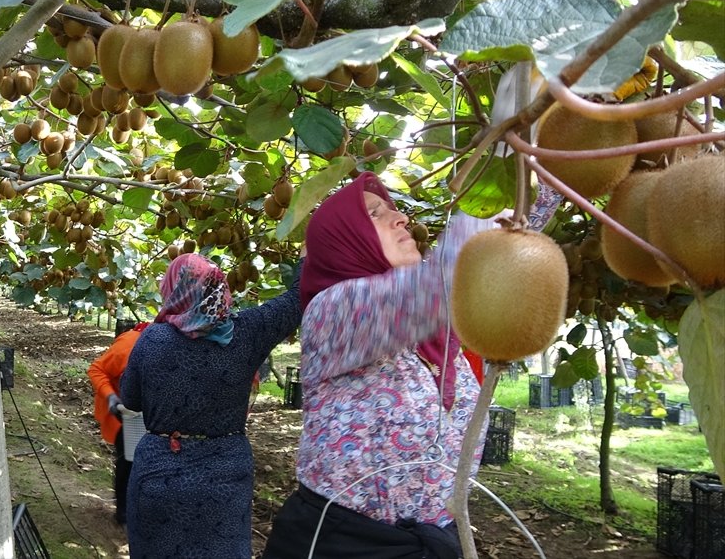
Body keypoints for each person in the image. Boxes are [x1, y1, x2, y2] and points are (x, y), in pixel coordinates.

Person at [262, 172, 540, 559]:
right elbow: (449, 277)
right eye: (376, 213)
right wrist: (499, 166)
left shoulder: (438, 337)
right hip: (342, 545)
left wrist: (540, 159)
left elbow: (507, 241)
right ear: (346, 241)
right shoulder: (332, 314)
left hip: (435, 541)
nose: (402, 218)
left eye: (395, 208)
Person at [119, 252, 303, 558]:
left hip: (159, 474)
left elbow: (130, 399)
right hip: (226, 478)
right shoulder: (246, 331)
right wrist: (309, 252)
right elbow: (297, 300)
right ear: (220, 287)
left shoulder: (152, 339)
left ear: (173, 289)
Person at [87, 320, 148, 525]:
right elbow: (96, 370)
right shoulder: (130, 346)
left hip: (151, 410)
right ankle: (123, 512)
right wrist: (111, 397)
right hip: (125, 412)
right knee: (128, 459)